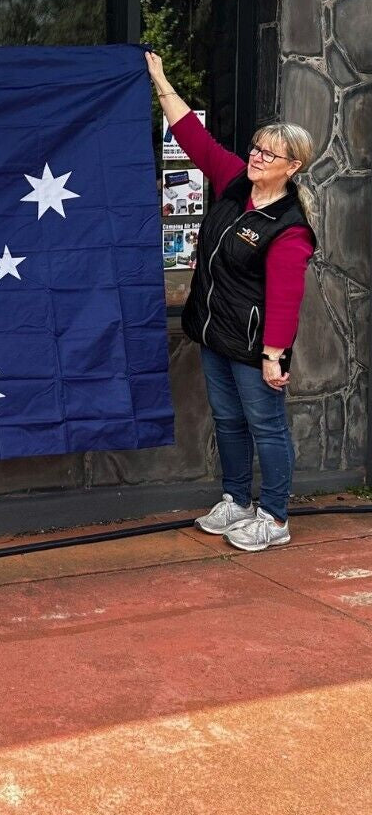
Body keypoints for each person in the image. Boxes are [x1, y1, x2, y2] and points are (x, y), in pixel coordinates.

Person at [147, 52, 316, 552]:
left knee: (266, 425)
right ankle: (237, 501)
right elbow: (193, 137)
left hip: (253, 345)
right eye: (257, 148)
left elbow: (285, 298)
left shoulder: (288, 228)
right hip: (215, 333)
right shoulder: (234, 182)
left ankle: (275, 517)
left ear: (293, 167)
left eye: (270, 154)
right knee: (227, 420)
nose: (257, 157)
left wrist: (272, 356)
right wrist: (160, 79)